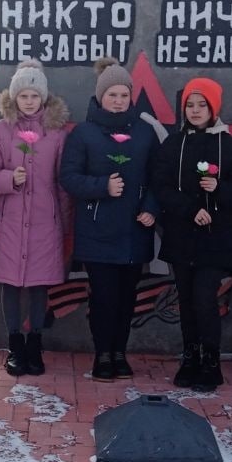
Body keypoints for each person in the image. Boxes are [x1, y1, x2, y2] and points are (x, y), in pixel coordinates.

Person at [59, 61, 160, 381]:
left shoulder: (144, 132)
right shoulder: (84, 133)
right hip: (98, 232)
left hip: (134, 231)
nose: (118, 100)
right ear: (100, 96)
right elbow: (69, 177)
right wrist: (102, 187)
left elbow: (159, 176)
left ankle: (120, 352)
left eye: (123, 94)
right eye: (112, 94)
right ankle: (102, 354)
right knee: (103, 298)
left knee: (127, 298)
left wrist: (151, 206)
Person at [0, 59, 71, 377]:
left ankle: (35, 345)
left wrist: (64, 222)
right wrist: (10, 178)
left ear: (43, 98)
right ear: (14, 97)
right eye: (24, 96)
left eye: (35, 95)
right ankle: (14, 346)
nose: (30, 101)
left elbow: (62, 181)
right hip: (9, 220)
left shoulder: (56, 134)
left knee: (37, 287)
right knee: (10, 285)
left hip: (45, 222)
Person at [152, 76, 232, 390]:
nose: (196, 110)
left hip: (214, 239)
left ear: (214, 107)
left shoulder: (228, 145)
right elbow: (160, 186)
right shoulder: (173, 144)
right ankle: (189, 356)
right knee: (185, 300)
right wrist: (189, 209)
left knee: (205, 299)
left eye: (203, 104)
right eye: (191, 104)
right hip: (182, 235)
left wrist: (219, 190)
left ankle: (210, 360)